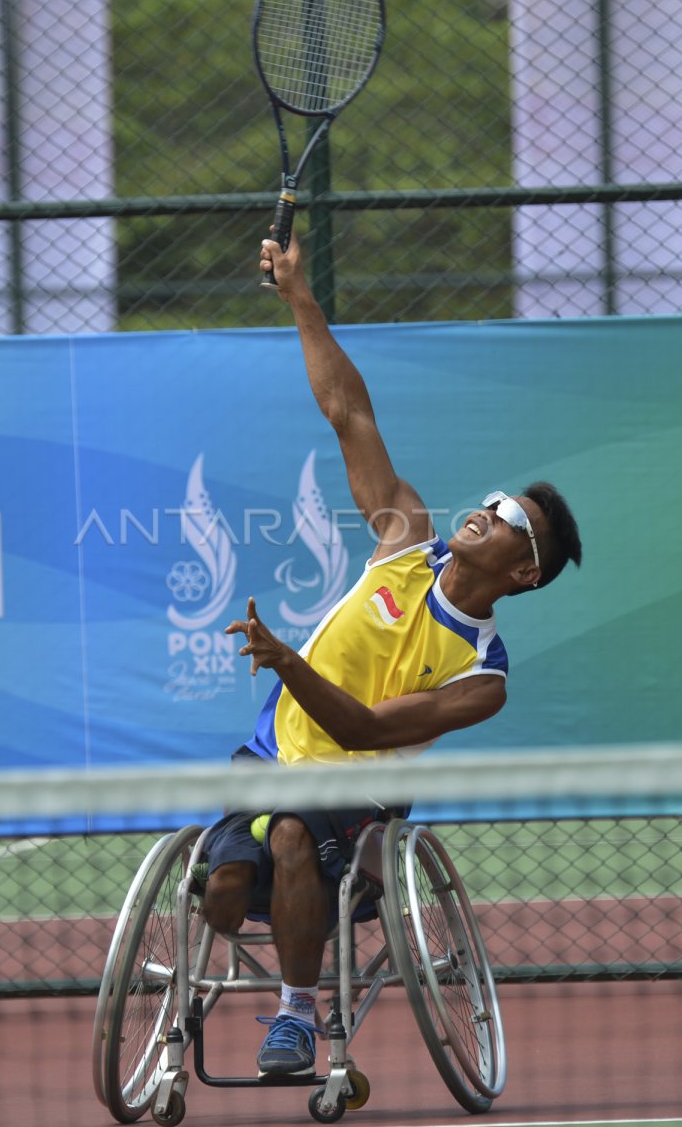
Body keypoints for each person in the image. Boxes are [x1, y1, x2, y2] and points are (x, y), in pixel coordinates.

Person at [201, 232, 582, 1080]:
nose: (487, 509)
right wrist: (299, 295)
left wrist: (289, 661)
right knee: (222, 893)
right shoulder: (406, 541)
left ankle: (299, 1017)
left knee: (297, 833)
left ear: (524, 572)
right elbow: (349, 413)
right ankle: (192, 1002)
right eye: (492, 500)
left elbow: (370, 731)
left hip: (355, 798)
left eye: (511, 519)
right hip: (269, 758)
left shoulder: (482, 678)